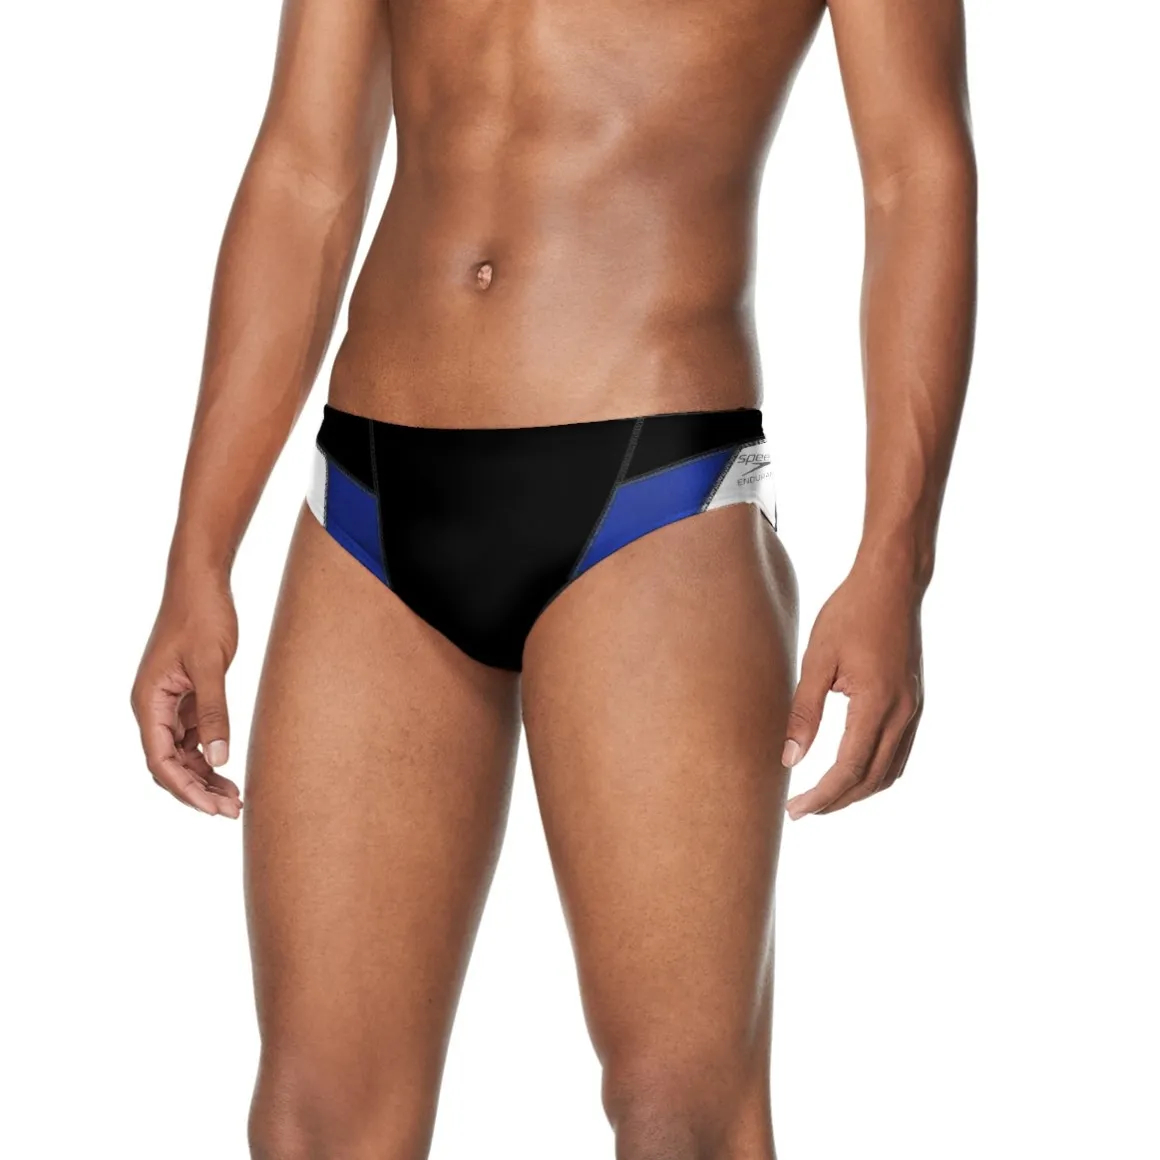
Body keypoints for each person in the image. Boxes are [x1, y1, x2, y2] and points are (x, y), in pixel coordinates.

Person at [131, 0, 976, 1154]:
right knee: (318, 1119)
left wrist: (894, 558)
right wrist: (197, 556)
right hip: (371, 485)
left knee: (678, 1112)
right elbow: (304, 171)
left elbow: (914, 174)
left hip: (651, 480)